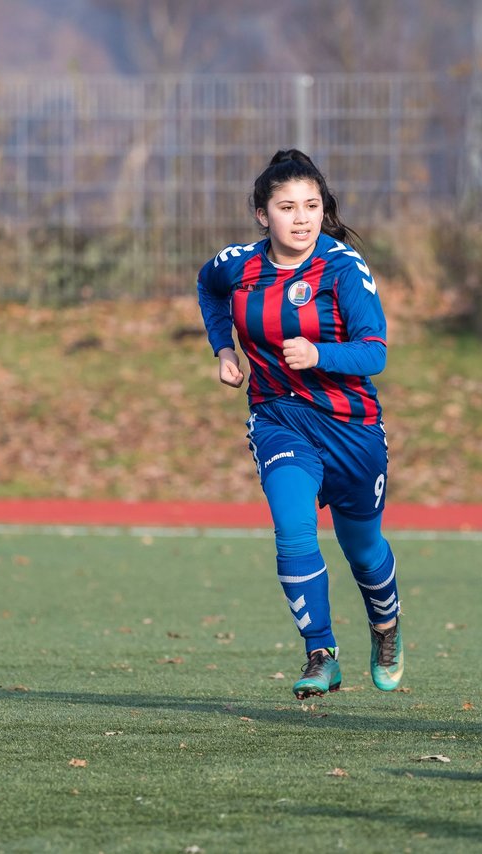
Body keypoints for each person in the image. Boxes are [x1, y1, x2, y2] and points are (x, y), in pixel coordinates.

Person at [195, 149, 404, 700]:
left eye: (311, 205)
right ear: (263, 214)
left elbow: (374, 352)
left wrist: (321, 355)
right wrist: (223, 348)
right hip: (278, 419)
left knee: (362, 548)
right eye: (287, 207)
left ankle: (386, 629)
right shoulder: (236, 264)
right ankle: (321, 653)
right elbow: (208, 287)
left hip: (351, 428)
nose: (302, 217)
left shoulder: (343, 268)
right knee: (292, 527)